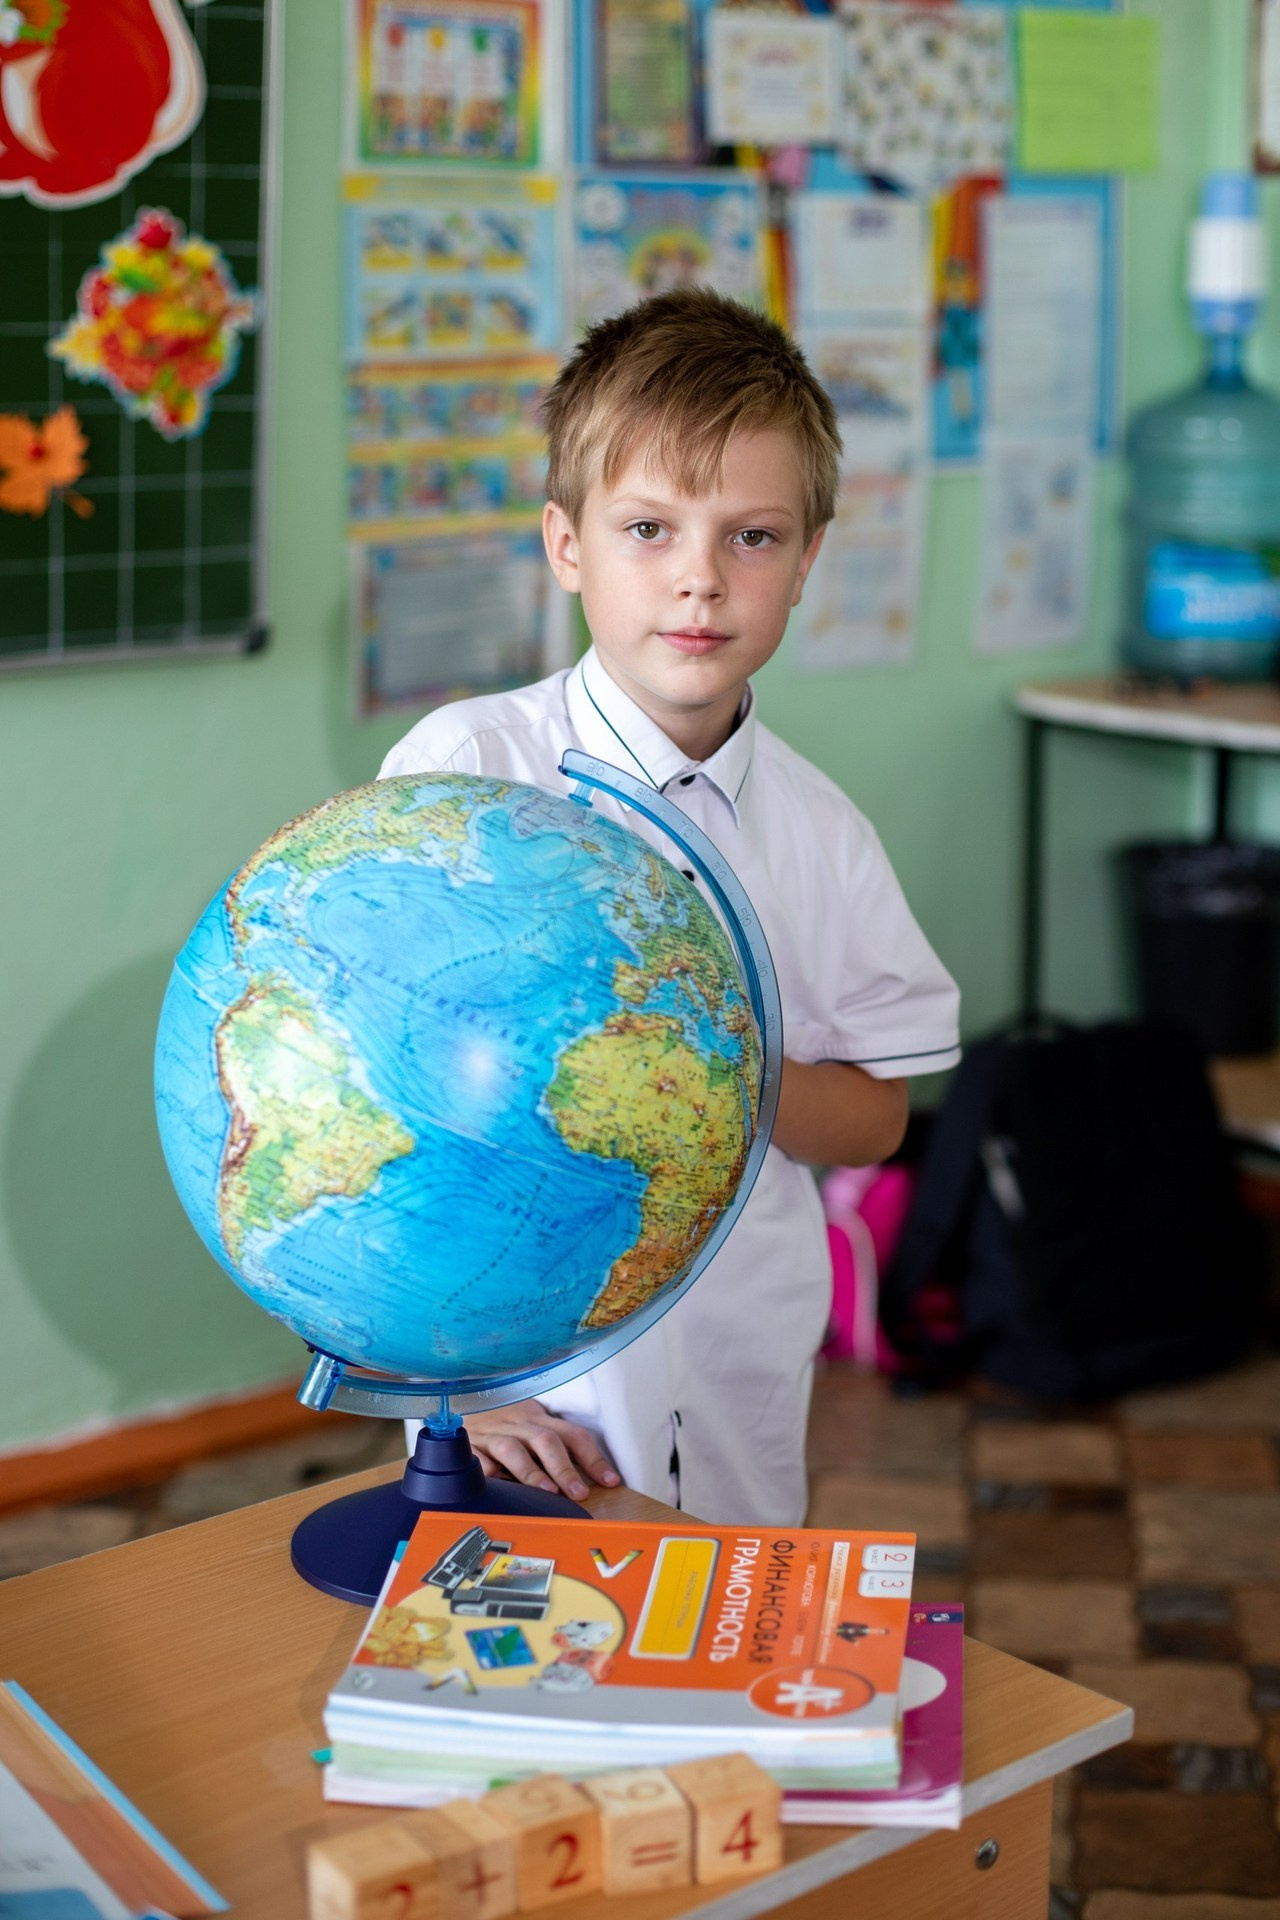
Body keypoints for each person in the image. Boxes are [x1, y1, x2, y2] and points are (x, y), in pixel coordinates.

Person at [381, 288, 960, 1526]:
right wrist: (460, 1392)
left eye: (750, 538)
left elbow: (872, 1122)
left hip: (740, 1376)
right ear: (566, 544)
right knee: (527, 1672)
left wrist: (715, 1079)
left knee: (719, 1673)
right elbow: (382, 1093)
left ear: (806, 559)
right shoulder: (469, 770)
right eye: (648, 527)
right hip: (517, 1394)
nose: (697, 581)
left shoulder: (821, 834)